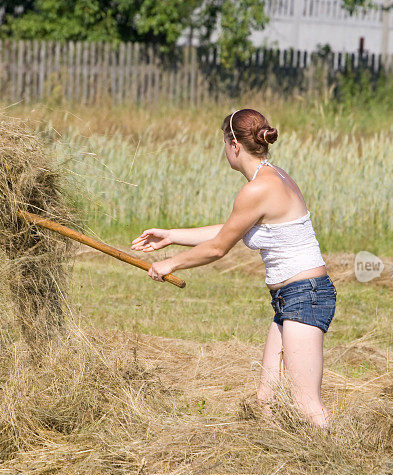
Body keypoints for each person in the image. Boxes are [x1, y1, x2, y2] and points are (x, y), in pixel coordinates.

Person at [130, 108, 336, 428]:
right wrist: (170, 237)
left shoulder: (258, 188)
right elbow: (229, 229)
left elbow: (218, 247)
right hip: (290, 298)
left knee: (306, 404)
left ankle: (340, 468)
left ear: (234, 145)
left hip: (305, 297)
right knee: (266, 399)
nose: (224, 150)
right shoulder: (272, 176)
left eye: (224, 143)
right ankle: (276, 460)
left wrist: (169, 263)